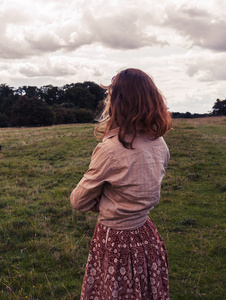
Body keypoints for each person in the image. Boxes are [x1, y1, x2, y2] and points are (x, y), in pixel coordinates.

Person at [70, 68, 172, 299]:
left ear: (117, 103)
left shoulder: (110, 149)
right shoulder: (160, 144)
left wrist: (100, 201)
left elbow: (77, 200)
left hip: (116, 238)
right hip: (147, 235)